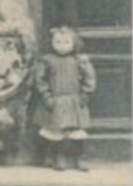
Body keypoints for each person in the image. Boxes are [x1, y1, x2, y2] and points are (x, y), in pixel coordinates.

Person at [32, 26, 97, 172]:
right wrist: (47, 96)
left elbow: (90, 78)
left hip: (74, 101)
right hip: (56, 101)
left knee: (76, 132)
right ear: (51, 43)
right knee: (56, 131)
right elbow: (40, 80)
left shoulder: (79, 60)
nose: (62, 46)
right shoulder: (47, 60)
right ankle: (58, 156)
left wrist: (85, 94)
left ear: (74, 43)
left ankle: (79, 157)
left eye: (66, 42)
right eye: (58, 42)